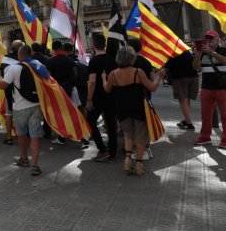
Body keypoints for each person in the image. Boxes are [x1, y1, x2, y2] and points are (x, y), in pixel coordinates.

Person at [103, 46, 164, 176]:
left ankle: (127, 160)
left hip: (121, 107)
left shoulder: (113, 74)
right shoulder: (138, 71)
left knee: (127, 134)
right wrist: (158, 77)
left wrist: (104, 79)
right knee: (140, 135)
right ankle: (139, 164)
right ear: (132, 58)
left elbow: (107, 90)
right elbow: (152, 88)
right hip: (138, 106)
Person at [0, 44, 43, 176]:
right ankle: (35, 165)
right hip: (36, 105)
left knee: (22, 135)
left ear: (20, 55)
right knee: (35, 136)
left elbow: (3, 85)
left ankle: (24, 158)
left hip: (20, 107)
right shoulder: (38, 66)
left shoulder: (14, 68)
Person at [193, 30, 226, 148]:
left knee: (225, 114)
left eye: (211, 39)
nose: (209, 41)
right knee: (205, 115)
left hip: (222, 88)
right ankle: (205, 137)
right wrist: (198, 54)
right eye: (207, 39)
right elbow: (195, 67)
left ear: (217, 40)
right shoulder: (202, 52)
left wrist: (212, 52)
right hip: (206, 87)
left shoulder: (224, 50)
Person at [85, 33, 118, 162]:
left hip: (98, 97)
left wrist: (89, 99)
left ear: (93, 44)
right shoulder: (112, 59)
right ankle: (112, 151)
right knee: (111, 124)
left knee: (90, 120)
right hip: (111, 95)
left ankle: (102, 149)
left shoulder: (93, 61)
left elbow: (92, 82)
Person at [166, 50, 199, 131]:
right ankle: (186, 119)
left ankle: (189, 123)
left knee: (182, 100)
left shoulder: (172, 53)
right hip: (193, 77)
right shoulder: (187, 51)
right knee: (187, 99)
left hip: (180, 78)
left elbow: (168, 66)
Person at [0, 40, 24, 145]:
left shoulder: (4, 60)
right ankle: (22, 138)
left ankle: (9, 136)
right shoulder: (22, 61)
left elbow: (2, 76)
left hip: (9, 92)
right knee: (21, 116)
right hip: (21, 94)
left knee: (9, 114)